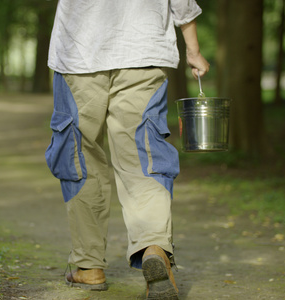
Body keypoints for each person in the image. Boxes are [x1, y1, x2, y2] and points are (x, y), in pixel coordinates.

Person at [45, 1, 210, 299]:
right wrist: (193, 50)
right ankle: (154, 246)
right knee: (143, 155)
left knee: (79, 157)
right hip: (144, 51)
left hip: (79, 53)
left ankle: (88, 265)